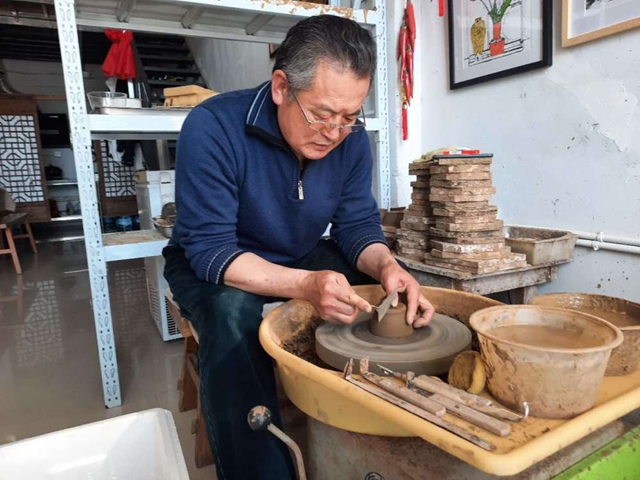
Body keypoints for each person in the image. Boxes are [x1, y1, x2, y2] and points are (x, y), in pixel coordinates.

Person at [164, 14, 435, 480]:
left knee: (381, 287)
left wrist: (388, 266)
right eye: (322, 115)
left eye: (349, 117)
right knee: (232, 316)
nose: (334, 132)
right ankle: (260, 469)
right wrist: (305, 285)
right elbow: (210, 250)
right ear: (281, 87)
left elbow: (356, 226)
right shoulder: (213, 127)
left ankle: (375, 422)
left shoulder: (349, 141)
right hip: (215, 262)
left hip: (296, 251)